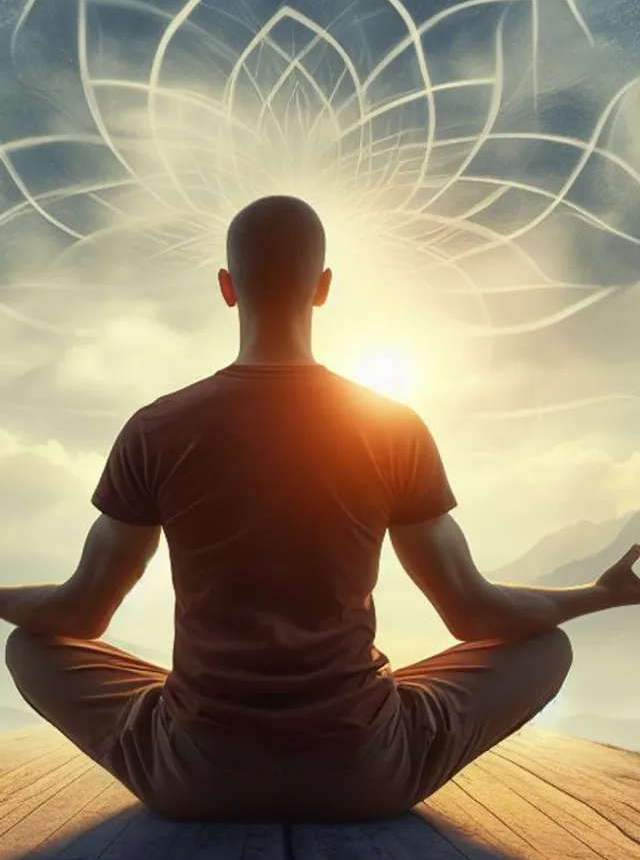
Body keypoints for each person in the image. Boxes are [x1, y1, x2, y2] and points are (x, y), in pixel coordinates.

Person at [3, 195, 640, 822]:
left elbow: (79, 612)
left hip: (196, 775)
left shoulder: (155, 428)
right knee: (546, 648)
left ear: (227, 288)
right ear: (324, 287)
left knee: (31, 648)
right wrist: (598, 594)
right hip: (364, 773)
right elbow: (474, 614)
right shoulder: (392, 428)